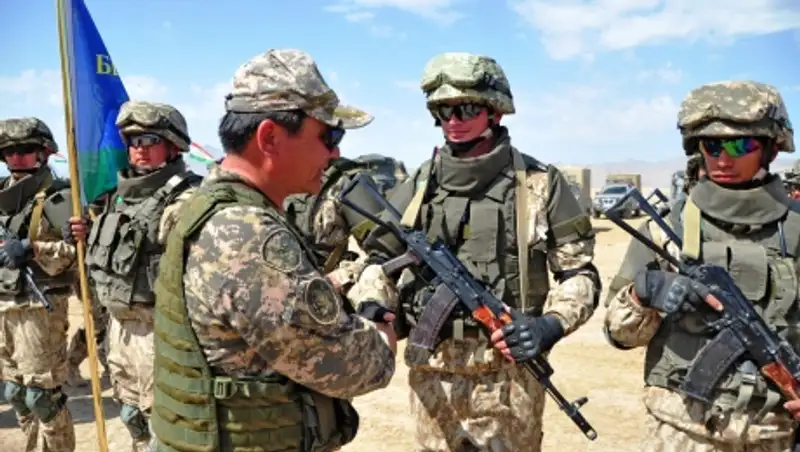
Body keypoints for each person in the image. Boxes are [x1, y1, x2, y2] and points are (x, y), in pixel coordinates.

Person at [149, 48, 397, 452]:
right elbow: (351, 366)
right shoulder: (246, 233)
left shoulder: (209, 204)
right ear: (270, 138)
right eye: (329, 136)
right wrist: (379, 320)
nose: (335, 153)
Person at [365, 52, 601, 451]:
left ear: (496, 111)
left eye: (467, 108)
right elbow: (376, 262)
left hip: (510, 376)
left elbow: (580, 274)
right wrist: (374, 302)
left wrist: (550, 325)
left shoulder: (540, 183)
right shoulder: (420, 185)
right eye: (443, 110)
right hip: (433, 374)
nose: (453, 120)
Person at [604, 80, 800, 451]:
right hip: (678, 431)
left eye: (740, 145)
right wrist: (645, 294)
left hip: (773, 434)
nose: (723, 159)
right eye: (711, 145)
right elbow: (618, 335)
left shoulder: (797, 229)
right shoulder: (668, 227)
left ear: (772, 148)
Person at [63, 101, 202, 452]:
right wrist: (85, 235)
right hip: (120, 329)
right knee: (131, 416)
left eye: (150, 139)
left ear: (173, 145)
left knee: (166, 430)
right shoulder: (116, 198)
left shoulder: (187, 199)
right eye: (133, 140)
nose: (140, 148)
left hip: (162, 332)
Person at [0, 117, 78, 451]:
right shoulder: (2, 195)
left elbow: (75, 253)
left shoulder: (58, 197)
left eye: (26, 149)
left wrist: (32, 249)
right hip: (4, 304)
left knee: (42, 398)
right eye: (9, 151)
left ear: (44, 152)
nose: (17, 157)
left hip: (40, 307)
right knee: (15, 393)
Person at [64, 191, 111, 387]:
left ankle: (108, 367)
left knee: (105, 325)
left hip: (114, 278)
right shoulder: (80, 209)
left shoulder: (119, 202)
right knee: (99, 325)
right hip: (90, 277)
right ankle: (72, 364)